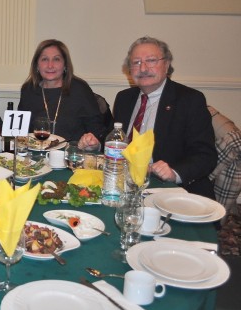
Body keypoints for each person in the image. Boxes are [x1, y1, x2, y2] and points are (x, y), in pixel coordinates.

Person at [79, 36, 217, 198]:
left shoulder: (189, 100)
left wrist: (174, 172)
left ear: (166, 64)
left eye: (151, 61)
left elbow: (205, 155)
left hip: (172, 191)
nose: (143, 68)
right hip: (124, 185)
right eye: (136, 62)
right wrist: (96, 145)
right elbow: (117, 139)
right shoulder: (124, 98)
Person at [18, 39, 106, 143]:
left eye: (56, 59)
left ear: (65, 65)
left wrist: (90, 143)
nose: (50, 65)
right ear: (37, 65)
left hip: (73, 151)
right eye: (44, 59)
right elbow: (20, 130)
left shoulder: (80, 89)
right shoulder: (28, 90)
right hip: (37, 151)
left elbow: (96, 131)